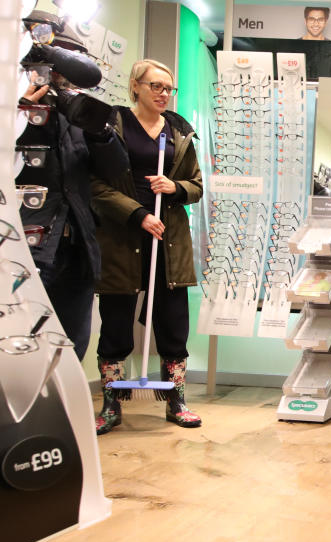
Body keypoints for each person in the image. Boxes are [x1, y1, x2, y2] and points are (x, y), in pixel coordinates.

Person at [90, 59, 203, 435]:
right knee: (116, 321)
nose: (163, 94)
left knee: (173, 322)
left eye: (168, 88)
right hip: (123, 237)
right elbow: (95, 186)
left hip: (168, 238)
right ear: (135, 86)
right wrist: (137, 213)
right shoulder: (111, 127)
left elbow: (197, 186)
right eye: (155, 86)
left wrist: (175, 188)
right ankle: (111, 404)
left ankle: (176, 400)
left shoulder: (179, 132)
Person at [16, 11, 125, 359]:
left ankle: (61, 414)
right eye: (53, 61)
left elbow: (117, 170)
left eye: (66, 63)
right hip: (26, 249)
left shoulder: (76, 113)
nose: (59, 75)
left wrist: (100, 133)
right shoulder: (13, 109)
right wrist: (20, 114)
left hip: (77, 249)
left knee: (70, 349)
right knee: (20, 346)